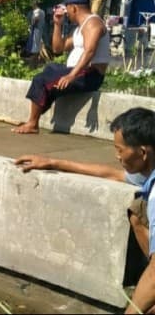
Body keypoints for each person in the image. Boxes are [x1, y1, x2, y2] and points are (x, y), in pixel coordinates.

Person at [14, 107, 155, 313]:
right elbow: (112, 175)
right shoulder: (149, 167)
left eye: (120, 150)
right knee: (137, 211)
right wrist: (53, 162)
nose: (117, 156)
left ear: (142, 152)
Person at [12, 0, 111, 134]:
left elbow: (90, 51)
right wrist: (57, 24)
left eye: (67, 9)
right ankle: (33, 119)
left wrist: (72, 75)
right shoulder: (79, 29)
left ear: (74, 8)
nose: (67, 13)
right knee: (50, 69)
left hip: (90, 74)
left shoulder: (93, 23)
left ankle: (33, 123)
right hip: (78, 71)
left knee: (40, 79)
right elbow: (58, 48)